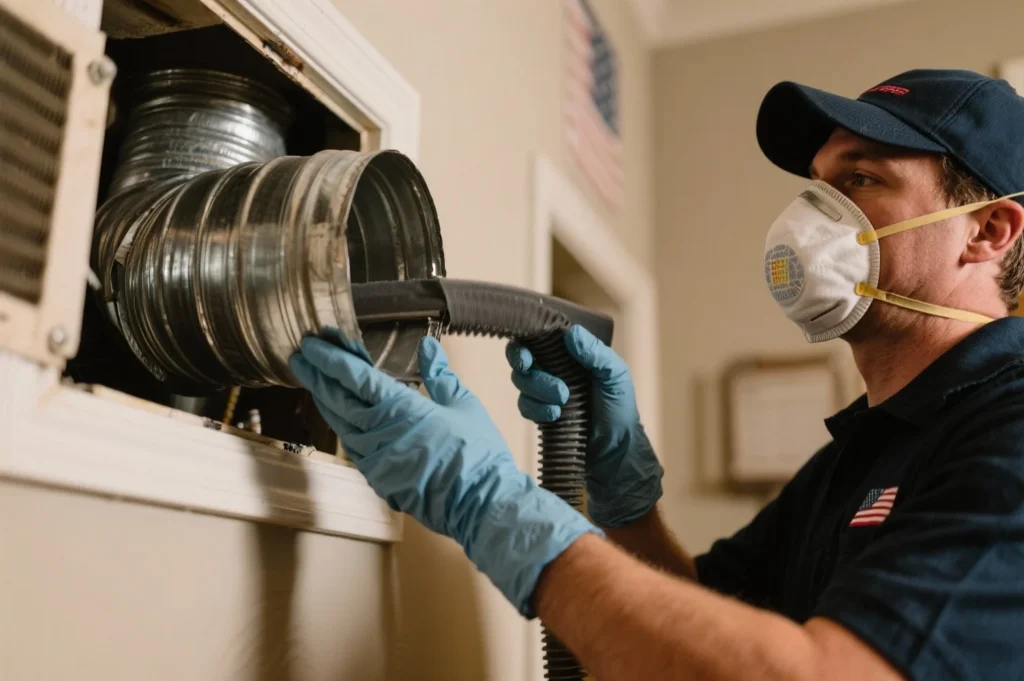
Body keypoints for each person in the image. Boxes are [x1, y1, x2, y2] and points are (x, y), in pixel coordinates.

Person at [289, 69, 1024, 680]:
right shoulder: (858, 454)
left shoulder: (1007, 434)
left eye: (861, 178)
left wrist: (494, 509)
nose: (816, 217)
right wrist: (627, 502)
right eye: (817, 184)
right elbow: (699, 625)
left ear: (988, 231)